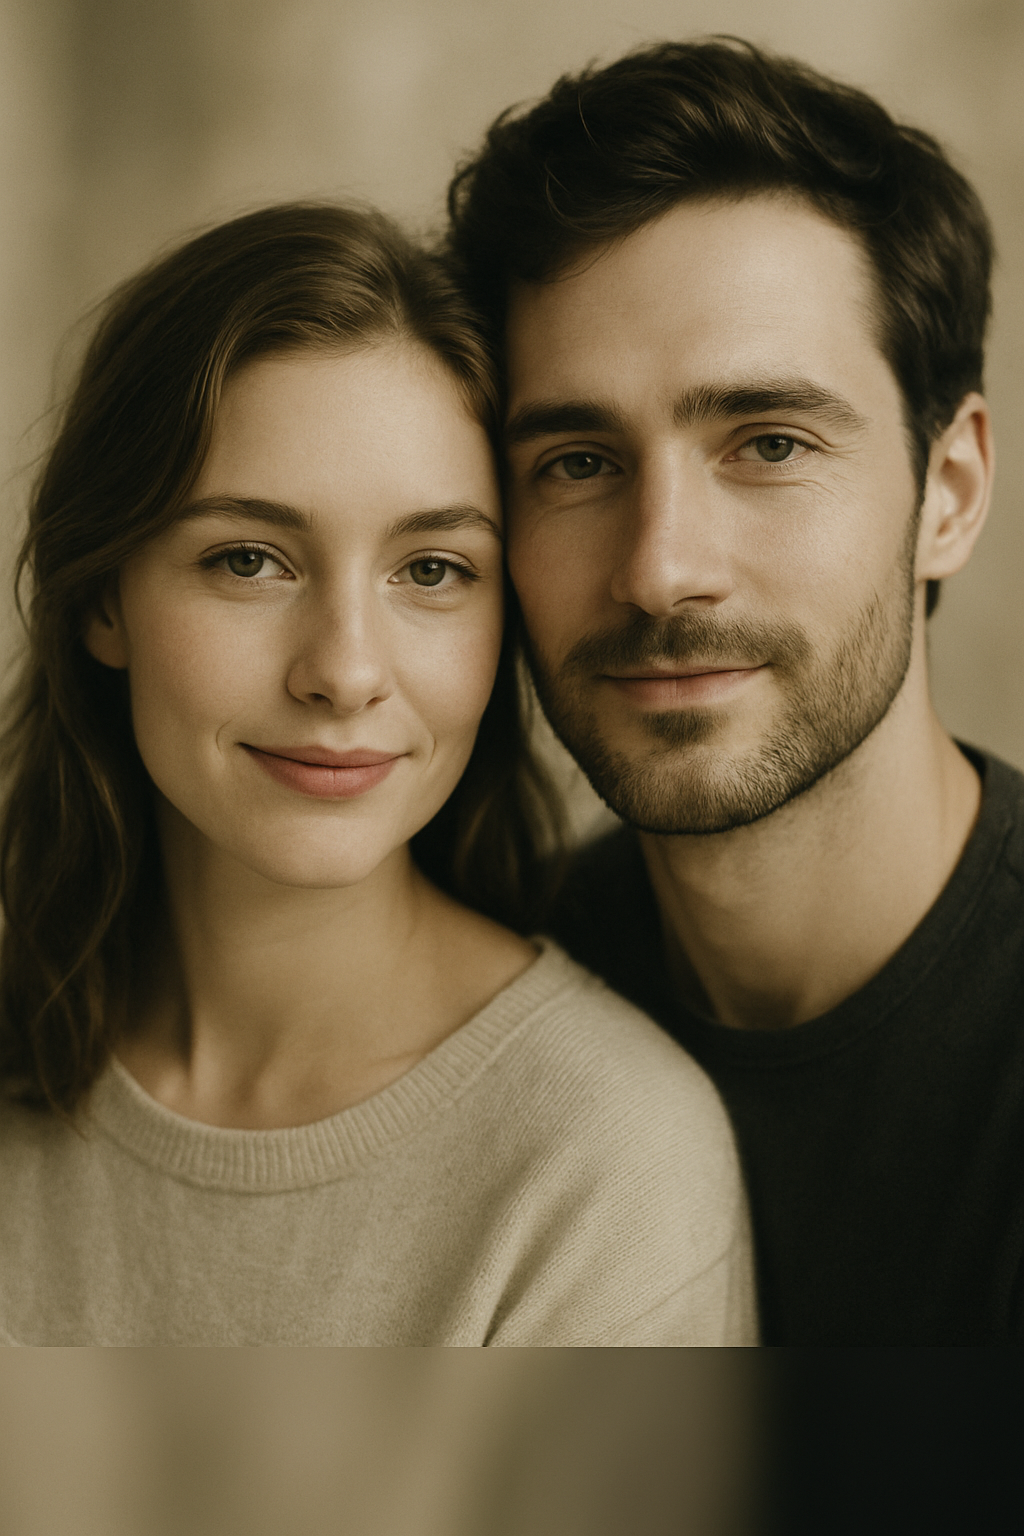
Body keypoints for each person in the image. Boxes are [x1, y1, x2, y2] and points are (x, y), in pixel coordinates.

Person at [0, 202, 756, 1346]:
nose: (344, 671)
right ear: (104, 596)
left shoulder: (600, 1161)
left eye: (433, 569)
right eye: (247, 559)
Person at [446, 39, 1024, 1345]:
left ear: (950, 492)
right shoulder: (476, 1025)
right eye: (579, 462)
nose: (659, 571)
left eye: (770, 442)